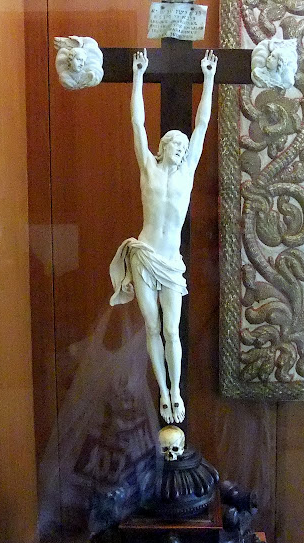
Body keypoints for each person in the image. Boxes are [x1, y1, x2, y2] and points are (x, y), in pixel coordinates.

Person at [109, 48, 218, 424]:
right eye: (176, 145)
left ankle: (176, 390)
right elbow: (137, 124)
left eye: (184, 147)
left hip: (170, 262)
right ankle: (164, 392)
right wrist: (139, 76)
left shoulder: (187, 173)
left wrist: (209, 78)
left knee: (172, 329)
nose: (182, 149)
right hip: (144, 256)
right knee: (152, 327)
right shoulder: (149, 170)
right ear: (163, 148)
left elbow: (202, 124)